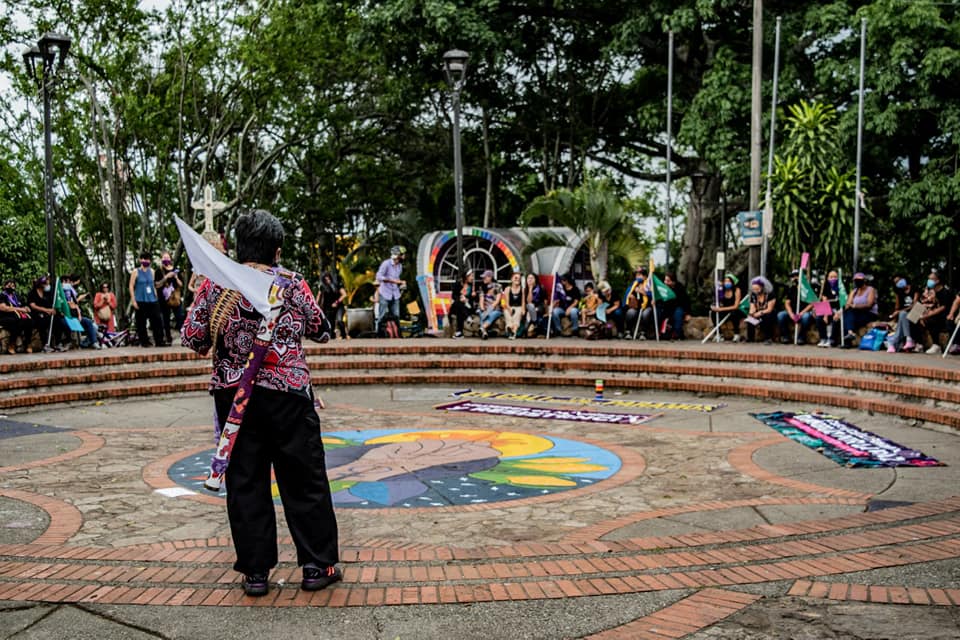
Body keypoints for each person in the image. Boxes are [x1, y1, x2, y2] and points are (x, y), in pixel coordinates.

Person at [181, 208, 340, 597]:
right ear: (278, 250)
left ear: (238, 247)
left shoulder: (215, 286)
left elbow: (194, 338)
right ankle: (317, 565)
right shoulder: (292, 283)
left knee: (246, 481)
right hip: (288, 393)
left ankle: (255, 572)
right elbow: (322, 329)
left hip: (234, 400)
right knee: (304, 479)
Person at [129, 252, 166, 347]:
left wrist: (156, 295)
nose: (145, 261)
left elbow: (153, 284)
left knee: (157, 320)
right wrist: (133, 300)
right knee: (141, 322)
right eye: (144, 259)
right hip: (140, 299)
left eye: (147, 259)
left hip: (152, 299)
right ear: (140, 260)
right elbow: (131, 286)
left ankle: (159, 340)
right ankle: (144, 341)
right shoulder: (135, 271)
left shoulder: (152, 271)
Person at [62, 274, 102, 349]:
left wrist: (79, 314)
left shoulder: (71, 291)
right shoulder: (61, 292)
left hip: (75, 315)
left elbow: (75, 304)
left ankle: (93, 342)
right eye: (67, 281)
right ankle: (69, 342)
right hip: (66, 316)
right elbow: (68, 304)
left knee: (89, 322)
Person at [840, 272, 878, 348]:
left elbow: (869, 304)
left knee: (848, 316)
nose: (857, 282)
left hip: (869, 313)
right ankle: (849, 334)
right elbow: (848, 305)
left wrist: (855, 306)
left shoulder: (871, 290)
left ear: (864, 280)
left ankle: (848, 340)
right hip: (856, 314)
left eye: (859, 280)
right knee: (845, 314)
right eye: (856, 280)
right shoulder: (854, 291)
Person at [27, 276, 66, 350]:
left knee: (58, 321)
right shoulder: (32, 293)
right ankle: (45, 344)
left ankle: (58, 343)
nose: (47, 286)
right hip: (37, 315)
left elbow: (52, 304)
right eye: (46, 284)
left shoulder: (47, 293)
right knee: (42, 323)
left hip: (48, 314)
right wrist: (46, 310)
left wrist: (52, 310)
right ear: (41, 284)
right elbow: (33, 306)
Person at [777, 270, 815, 344]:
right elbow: (787, 303)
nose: (795, 278)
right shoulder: (792, 289)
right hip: (793, 312)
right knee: (780, 315)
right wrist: (791, 314)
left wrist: (801, 314)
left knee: (806, 317)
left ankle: (801, 337)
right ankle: (785, 336)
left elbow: (812, 303)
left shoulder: (808, 289)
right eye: (793, 276)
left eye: (796, 276)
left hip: (804, 312)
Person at [1, 278, 35, 354]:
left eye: (13, 285)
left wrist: (26, 308)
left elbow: (24, 305)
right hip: (5, 317)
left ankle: (28, 343)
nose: (11, 286)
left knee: (29, 321)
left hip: (17, 316)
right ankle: (11, 344)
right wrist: (19, 309)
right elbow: (3, 308)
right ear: (5, 286)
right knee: (15, 322)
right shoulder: (2, 295)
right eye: (8, 285)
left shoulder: (17, 296)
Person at [375, 245, 406, 328]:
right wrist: (391, 280)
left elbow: (397, 278)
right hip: (385, 293)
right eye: (402, 254)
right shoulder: (386, 264)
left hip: (395, 294)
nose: (404, 256)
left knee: (396, 316)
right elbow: (378, 276)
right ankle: (379, 334)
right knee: (382, 316)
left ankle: (396, 335)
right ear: (397, 255)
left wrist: (401, 283)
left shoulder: (400, 266)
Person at [157, 251, 184, 344]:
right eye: (164, 258)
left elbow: (181, 285)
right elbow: (157, 285)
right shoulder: (159, 271)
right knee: (166, 319)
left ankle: (183, 338)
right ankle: (168, 338)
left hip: (175, 297)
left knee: (180, 317)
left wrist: (176, 277)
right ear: (161, 259)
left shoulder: (176, 270)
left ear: (171, 259)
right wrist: (166, 277)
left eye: (167, 257)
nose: (166, 259)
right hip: (164, 299)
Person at [710, 273, 743, 342]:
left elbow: (736, 306)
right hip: (724, 310)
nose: (726, 283)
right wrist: (715, 307)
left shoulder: (737, 290)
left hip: (734, 309)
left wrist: (721, 309)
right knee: (713, 313)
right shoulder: (721, 290)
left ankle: (737, 334)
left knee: (734, 313)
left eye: (729, 281)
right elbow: (717, 301)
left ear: (733, 282)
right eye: (725, 281)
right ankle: (719, 334)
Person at [624, 267, 654, 339]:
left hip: (646, 306)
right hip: (636, 307)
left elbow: (653, 295)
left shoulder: (649, 284)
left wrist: (644, 292)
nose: (638, 277)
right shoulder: (634, 284)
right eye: (636, 275)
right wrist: (631, 295)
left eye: (640, 275)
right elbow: (627, 294)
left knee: (646, 313)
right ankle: (628, 332)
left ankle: (643, 333)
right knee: (630, 312)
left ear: (645, 276)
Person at [745, 276, 777, 344]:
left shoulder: (770, 294)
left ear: (762, 287)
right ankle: (750, 338)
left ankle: (768, 338)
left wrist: (759, 313)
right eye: (754, 289)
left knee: (767, 317)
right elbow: (752, 307)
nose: (756, 291)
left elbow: (769, 309)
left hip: (768, 312)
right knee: (750, 318)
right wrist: (751, 314)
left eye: (757, 289)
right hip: (758, 312)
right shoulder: (753, 295)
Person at [816, 270, 842, 348]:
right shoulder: (825, 288)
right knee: (818, 317)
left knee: (836, 319)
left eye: (835, 277)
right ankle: (823, 339)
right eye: (831, 277)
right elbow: (824, 301)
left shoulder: (841, 288)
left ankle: (832, 340)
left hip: (838, 309)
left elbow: (844, 302)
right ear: (827, 278)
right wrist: (826, 315)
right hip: (827, 308)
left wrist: (839, 312)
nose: (833, 279)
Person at [319, 272, 348, 339]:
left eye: (329, 279)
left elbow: (344, 294)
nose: (328, 281)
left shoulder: (337, 285)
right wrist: (317, 305)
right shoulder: (323, 287)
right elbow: (319, 296)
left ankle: (344, 335)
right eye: (326, 280)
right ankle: (332, 338)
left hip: (339, 306)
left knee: (339, 320)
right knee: (330, 323)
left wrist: (337, 302)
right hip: (328, 307)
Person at [449, 270, 476, 339]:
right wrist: (461, 298)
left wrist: (472, 297)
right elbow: (453, 296)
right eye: (471, 276)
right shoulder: (458, 284)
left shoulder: (472, 286)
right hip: (457, 306)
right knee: (458, 303)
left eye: (473, 276)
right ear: (466, 277)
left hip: (467, 307)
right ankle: (467, 318)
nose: (472, 278)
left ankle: (459, 332)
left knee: (459, 310)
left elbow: (474, 300)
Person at [662, 272, 689, 340]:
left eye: (668, 281)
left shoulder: (680, 288)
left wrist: (688, 313)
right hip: (667, 308)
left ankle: (677, 334)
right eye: (665, 280)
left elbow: (686, 302)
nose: (666, 282)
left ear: (673, 282)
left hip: (678, 307)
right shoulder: (663, 288)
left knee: (678, 313)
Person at [478, 270, 502, 339]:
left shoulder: (498, 286)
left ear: (490, 277)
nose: (483, 279)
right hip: (484, 308)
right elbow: (481, 300)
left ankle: (482, 328)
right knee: (482, 314)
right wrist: (483, 309)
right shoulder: (482, 287)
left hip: (495, 308)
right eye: (483, 278)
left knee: (491, 315)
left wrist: (489, 310)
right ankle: (484, 332)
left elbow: (497, 301)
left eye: (485, 277)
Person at [503, 272, 524, 339]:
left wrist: (524, 309)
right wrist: (510, 310)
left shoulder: (522, 289)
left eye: (519, 278)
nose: (517, 279)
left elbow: (523, 302)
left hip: (518, 306)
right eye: (515, 277)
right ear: (512, 279)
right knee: (507, 313)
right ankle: (511, 330)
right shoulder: (508, 289)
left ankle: (513, 332)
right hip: (510, 307)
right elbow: (506, 303)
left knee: (517, 315)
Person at [524, 273, 544, 337]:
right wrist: (530, 289)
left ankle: (529, 328)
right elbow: (529, 301)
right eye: (528, 278)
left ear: (535, 279)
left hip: (539, 307)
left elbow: (545, 301)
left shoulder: (540, 288)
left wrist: (546, 311)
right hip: (529, 308)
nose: (530, 280)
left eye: (532, 278)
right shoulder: (525, 289)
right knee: (530, 308)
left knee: (532, 310)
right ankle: (532, 325)